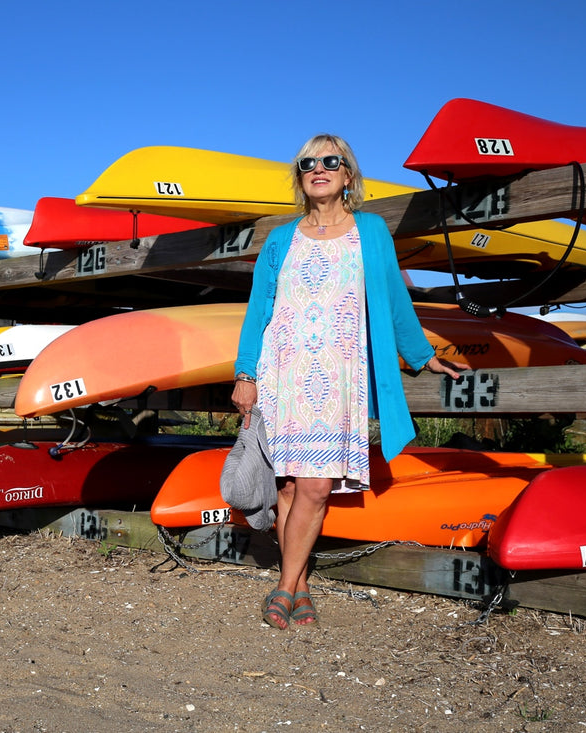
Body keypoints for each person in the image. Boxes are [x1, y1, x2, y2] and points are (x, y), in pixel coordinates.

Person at [230, 134, 464, 630]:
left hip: (338, 377)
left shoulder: (371, 231)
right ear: (300, 176)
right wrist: (246, 372)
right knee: (289, 484)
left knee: (315, 485)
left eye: (330, 161)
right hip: (283, 372)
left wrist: (423, 356)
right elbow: (258, 311)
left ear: (347, 174)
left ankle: (283, 585)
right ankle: (301, 586)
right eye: (308, 163)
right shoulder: (281, 238)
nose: (319, 168)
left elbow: (395, 300)